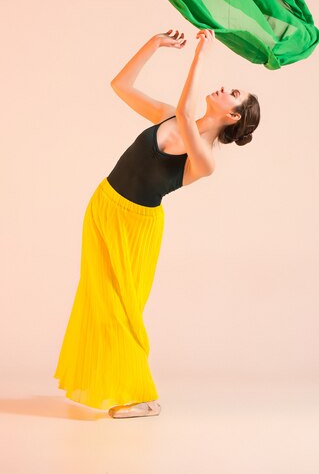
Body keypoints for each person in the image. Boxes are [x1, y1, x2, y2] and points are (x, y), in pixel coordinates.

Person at [53, 28, 261, 418]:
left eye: (233, 95)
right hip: (103, 205)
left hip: (136, 227)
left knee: (121, 309)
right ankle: (111, 385)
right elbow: (121, 85)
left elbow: (186, 116)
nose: (225, 89)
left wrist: (203, 52)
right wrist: (154, 45)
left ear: (233, 116)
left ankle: (143, 396)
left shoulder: (204, 159)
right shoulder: (169, 115)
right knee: (97, 301)